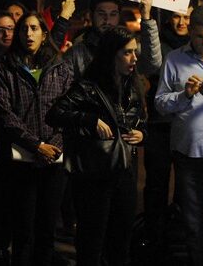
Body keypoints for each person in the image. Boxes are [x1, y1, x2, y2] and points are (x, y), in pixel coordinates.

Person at [47, 26, 147, 266]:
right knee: (92, 241)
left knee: (121, 240)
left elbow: (140, 120)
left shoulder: (133, 86)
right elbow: (56, 113)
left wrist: (141, 133)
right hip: (95, 174)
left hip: (124, 171)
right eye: (127, 52)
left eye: (135, 52)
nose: (134, 58)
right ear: (111, 54)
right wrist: (90, 120)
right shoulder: (89, 87)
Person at [0, 11, 73, 266]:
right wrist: (36, 145)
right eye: (24, 28)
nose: (28, 33)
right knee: (23, 229)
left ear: (44, 34)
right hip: (22, 160)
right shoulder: (7, 68)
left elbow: (70, 110)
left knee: (47, 229)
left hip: (53, 162)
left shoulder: (60, 68)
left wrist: (55, 147)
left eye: (34, 28)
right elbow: (5, 114)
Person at [154, 6, 203, 266]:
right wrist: (184, 94)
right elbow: (160, 103)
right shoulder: (174, 59)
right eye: (200, 37)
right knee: (192, 221)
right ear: (191, 33)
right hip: (189, 153)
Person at [143, 9, 190, 251]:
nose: (181, 22)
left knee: (186, 188)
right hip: (161, 126)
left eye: (187, 17)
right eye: (177, 16)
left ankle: (179, 239)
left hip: (187, 127)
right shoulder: (159, 43)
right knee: (156, 186)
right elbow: (152, 67)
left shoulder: (200, 47)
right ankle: (154, 238)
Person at [65, 0, 161, 79]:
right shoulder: (78, 52)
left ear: (119, 16)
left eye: (113, 14)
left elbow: (152, 65)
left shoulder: (129, 45)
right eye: (101, 14)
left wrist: (146, 16)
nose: (107, 21)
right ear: (91, 15)